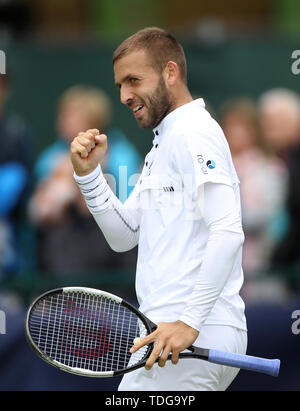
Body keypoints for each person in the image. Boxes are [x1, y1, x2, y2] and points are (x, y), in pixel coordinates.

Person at [70, 27, 247, 391]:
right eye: (119, 85)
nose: (124, 95)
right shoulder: (164, 143)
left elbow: (228, 232)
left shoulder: (192, 132)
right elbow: (125, 236)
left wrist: (189, 323)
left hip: (188, 333)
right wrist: (89, 177)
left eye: (133, 80)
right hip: (174, 333)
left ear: (170, 72)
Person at [29, 85, 141, 274]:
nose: (62, 122)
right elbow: (40, 212)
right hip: (63, 257)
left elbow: (126, 212)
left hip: (114, 256)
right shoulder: (50, 159)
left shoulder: (123, 156)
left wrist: (84, 179)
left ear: (92, 120)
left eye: (70, 116)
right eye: (63, 115)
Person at [220, 98, 287, 294]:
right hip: (220, 264)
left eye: (241, 126)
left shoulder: (270, 168)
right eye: (230, 126)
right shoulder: (214, 166)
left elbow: (267, 215)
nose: (235, 133)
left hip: (259, 263)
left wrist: (223, 220)